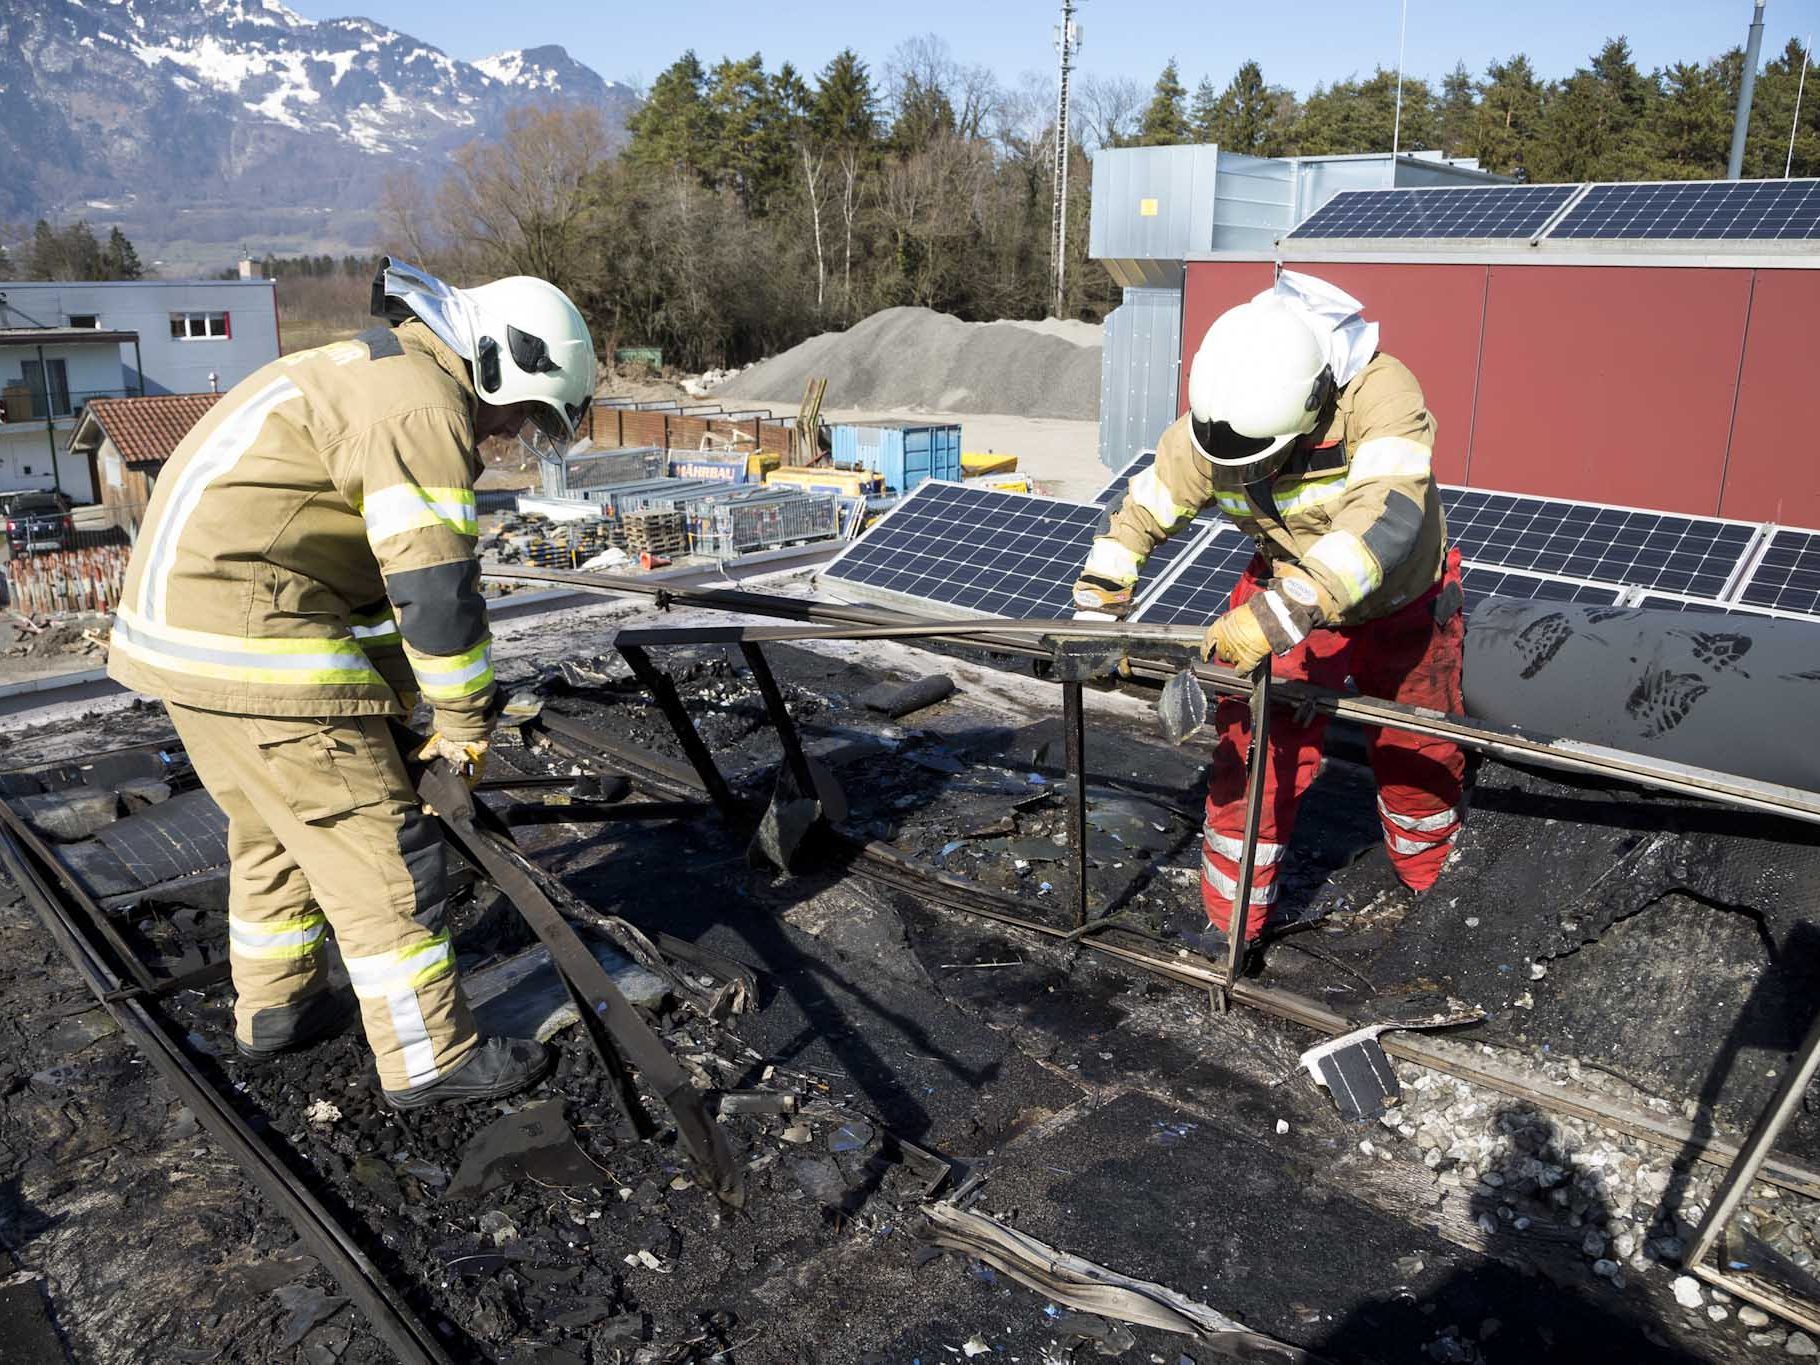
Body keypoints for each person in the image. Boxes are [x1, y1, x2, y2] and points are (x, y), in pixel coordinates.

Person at [108, 258, 595, 1108]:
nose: (511, 433)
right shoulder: (420, 410)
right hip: (253, 641)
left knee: (274, 828)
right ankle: (430, 1056)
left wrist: (401, 708)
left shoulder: (369, 375)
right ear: (492, 362)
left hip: (188, 642)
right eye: (520, 412)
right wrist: (462, 721)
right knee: (382, 850)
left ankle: (279, 1008)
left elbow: (364, 594)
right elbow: (435, 592)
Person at [1072, 271, 1465, 948]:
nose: (1247, 474)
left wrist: (1283, 612)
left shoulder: (1382, 395)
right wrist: (1096, 611)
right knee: (1250, 761)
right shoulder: (1224, 421)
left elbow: (1387, 518)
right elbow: (1138, 514)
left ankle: (1432, 898)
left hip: (1400, 602)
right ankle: (1233, 930)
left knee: (1417, 759)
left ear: (1314, 404)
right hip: (1282, 588)